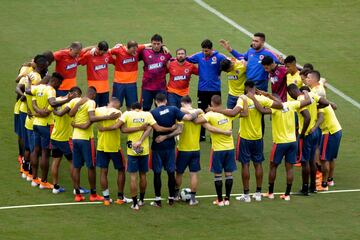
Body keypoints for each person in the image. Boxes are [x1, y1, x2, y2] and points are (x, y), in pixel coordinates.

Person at [210, 81, 282, 202]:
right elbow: (280, 105)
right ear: (254, 88)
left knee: (245, 164)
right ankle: (258, 193)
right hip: (258, 136)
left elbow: (233, 113)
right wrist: (266, 95)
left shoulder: (242, 99)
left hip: (244, 137)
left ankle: (247, 195)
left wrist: (215, 110)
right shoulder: (260, 99)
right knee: (258, 164)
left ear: (246, 88)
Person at [100, 101, 175, 210]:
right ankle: (141, 201)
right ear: (141, 108)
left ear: (132, 108)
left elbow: (119, 127)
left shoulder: (127, 114)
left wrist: (104, 129)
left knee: (133, 177)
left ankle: (134, 204)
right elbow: (158, 128)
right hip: (143, 150)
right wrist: (171, 129)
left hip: (132, 150)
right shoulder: (147, 114)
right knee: (143, 176)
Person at [253, 90, 312, 201]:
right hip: (292, 142)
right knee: (289, 168)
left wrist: (253, 98)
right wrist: (305, 92)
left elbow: (261, 110)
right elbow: (308, 101)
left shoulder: (275, 108)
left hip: (280, 143)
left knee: (273, 166)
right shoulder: (291, 104)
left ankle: (270, 193)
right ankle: (287, 195)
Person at [149, 93, 202, 207]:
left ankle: (158, 200)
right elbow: (187, 119)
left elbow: (149, 129)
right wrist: (198, 111)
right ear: (166, 101)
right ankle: (171, 198)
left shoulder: (152, 113)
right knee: (171, 173)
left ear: (155, 102)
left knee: (157, 174)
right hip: (170, 146)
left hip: (157, 146)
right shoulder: (173, 109)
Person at [68, 87, 119, 202]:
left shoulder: (77, 101)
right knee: (90, 167)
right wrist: (108, 117)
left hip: (75, 137)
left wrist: (75, 123)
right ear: (94, 95)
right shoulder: (91, 102)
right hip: (86, 139)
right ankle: (93, 194)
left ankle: (77, 195)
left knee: (76, 167)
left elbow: (71, 114)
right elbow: (91, 118)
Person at [27, 72, 72, 189]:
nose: (59, 86)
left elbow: (28, 91)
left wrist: (37, 110)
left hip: (36, 124)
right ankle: (44, 182)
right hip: (46, 125)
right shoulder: (51, 90)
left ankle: (34, 178)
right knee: (45, 153)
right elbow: (52, 103)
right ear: (55, 81)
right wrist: (67, 100)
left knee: (35, 151)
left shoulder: (39, 87)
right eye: (59, 84)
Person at [288, 84, 332, 194]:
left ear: (292, 92)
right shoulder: (312, 94)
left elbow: (306, 116)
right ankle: (313, 187)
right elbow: (326, 103)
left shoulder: (299, 100)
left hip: (307, 133)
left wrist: (302, 133)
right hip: (316, 131)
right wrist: (316, 107)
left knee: (304, 162)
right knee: (312, 160)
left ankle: (304, 188)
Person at [193, 95, 237, 207]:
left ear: (212, 103)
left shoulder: (210, 115)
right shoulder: (228, 112)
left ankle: (220, 200)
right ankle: (227, 199)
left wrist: (200, 114)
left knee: (218, 175)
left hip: (218, 149)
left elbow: (196, 121)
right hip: (230, 148)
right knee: (229, 174)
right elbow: (241, 113)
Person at [16, 56, 49, 182]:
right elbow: (31, 91)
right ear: (42, 67)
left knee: (29, 144)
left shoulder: (28, 76)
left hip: (28, 112)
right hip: (33, 115)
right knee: (34, 147)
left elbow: (24, 89)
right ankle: (31, 173)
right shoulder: (37, 78)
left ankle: (25, 168)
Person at [187, 39, 227, 141]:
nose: (205, 53)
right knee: (202, 111)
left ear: (211, 49)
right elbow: (185, 59)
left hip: (215, 89)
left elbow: (229, 63)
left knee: (216, 111)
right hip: (202, 89)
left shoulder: (219, 56)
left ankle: (215, 133)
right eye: (203, 50)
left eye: (207, 51)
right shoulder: (199, 56)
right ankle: (202, 135)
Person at [51, 86, 82, 194]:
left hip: (55, 136)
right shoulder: (71, 103)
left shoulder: (57, 100)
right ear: (73, 94)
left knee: (56, 161)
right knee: (74, 162)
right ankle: (76, 188)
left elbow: (53, 108)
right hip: (65, 138)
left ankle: (55, 187)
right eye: (78, 95)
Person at [173, 96, 204, 205]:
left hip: (183, 149)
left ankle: (176, 195)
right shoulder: (199, 113)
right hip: (196, 149)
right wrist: (199, 110)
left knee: (179, 173)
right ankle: (193, 199)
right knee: (194, 174)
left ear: (182, 103)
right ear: (191, 102)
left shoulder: (180, 113)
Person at [110, 41, 147, 109]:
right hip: (119, 83)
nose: (135, 52)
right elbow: (109, 51)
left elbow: (148, 45)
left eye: (136, 50)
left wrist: (163, 46)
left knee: (132, 106)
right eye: (133, 50)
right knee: (116, 106)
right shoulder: (118, 50)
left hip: (131, 84)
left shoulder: (136, 49)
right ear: (128, 48)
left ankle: (130, 119)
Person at [139, 34, 171, 111]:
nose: (156, 46)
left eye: (158, 44)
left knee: (162, 109)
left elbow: (169, 69)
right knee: (145, 109)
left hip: (160, 87)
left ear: (162, 44)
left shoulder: (166, 54)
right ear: (151, 43)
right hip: (147, 87)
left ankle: (160, 123)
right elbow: (135, 49)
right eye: (154, 44)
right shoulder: (144, 52)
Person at [315, 104, 342, 191]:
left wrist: (313, 127)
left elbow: (321, 118)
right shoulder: (324, 102)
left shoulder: (320, 106)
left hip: (329, 132)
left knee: (324, 159)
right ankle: (330, 180)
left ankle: (324, 184)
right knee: (331, 158)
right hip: (337, 130)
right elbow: (335, 106)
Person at [79, 41, 114, 107]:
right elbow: (79, 60)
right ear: (97, 48)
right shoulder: (89, 55)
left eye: (104, 52)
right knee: (92, 108)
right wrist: (89, 48)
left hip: (105, 88)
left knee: (104, 109)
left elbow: (115, 61)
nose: (102, 53)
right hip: (93, 89)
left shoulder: (107, 54)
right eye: (102, 51)